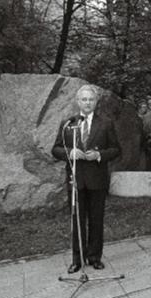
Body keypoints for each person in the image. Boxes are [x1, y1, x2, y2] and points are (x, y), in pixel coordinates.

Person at [52, 85, 121, 273]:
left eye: (91, 99)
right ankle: (77, 259)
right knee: (77, 221)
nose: (87, 103)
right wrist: (70, 152)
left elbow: (116, 149)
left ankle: (94, 257)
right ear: (78, 101)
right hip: (76, 181)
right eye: (84, 99)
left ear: (96, 102)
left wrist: (99, 155)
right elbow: (56, 149)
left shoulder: (105, 123)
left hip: (97, 180)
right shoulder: (68, 123)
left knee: (96, 220)